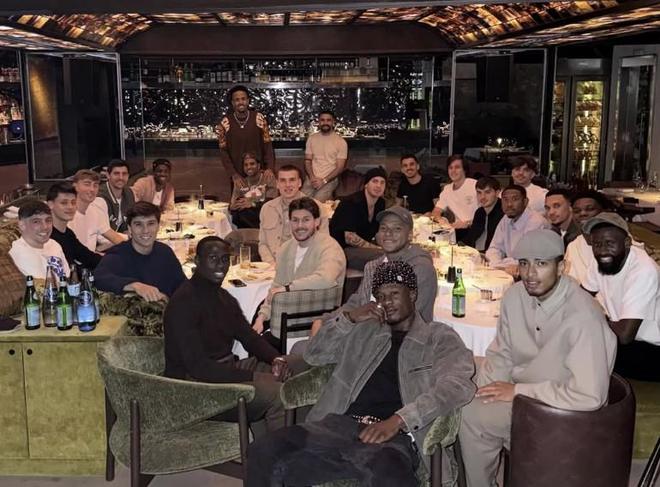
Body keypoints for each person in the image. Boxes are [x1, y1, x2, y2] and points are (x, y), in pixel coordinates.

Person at [246, 261, 476, 487]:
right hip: (336, 426)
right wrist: (349, 318)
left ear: (413, 295)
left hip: (392, 439)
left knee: (390, 477)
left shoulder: (438, 337)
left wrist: (399, 420)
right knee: (262, 451)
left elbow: (457, 385)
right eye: (381, 296)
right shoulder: (365, 330)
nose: (387, 302)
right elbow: (315, 354)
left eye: (394, 294)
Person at [459, 229, 617, 487]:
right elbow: (502, 353)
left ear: (561, 267)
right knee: (461, 382)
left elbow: (589, 396)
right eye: (524, 263)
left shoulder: (583, 316)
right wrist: (485, 389)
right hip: (525, 393)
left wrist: (517, 391)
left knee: (471, 415)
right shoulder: (515, 296)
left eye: (541, 264)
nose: (530, 274)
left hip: (561, 411)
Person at [164, 236, 292, 433]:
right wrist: (254, 377)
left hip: (224, 372)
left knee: (292, 367)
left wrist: (276, 359)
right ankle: (279, 451)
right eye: (213, 258)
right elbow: (199, 367)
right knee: (277, 393)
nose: (220, 265)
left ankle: (272, 440)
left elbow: (249, 337)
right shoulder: (184, 302)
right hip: (194, 388)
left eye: (225, 259)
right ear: (197, 261)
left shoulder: (224, 298)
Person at [314, 206, 438, 337]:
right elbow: (356, 303)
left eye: (397, 229)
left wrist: (352, 322)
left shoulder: (420, 268)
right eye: (383, 228)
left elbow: (406, 320)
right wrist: (325, 320)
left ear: (410, 235)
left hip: (401, 341)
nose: (388, 233)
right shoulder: (373, 266)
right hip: (365, 336)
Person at [253, 197, 346, 344]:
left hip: (316, 325)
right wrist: (262, 316)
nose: (300, 226)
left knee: (262, 344)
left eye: (306, 220)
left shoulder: (330, 247)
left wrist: (288, 288)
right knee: (252, 330)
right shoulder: (285, 249)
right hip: (286, 320)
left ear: (317, 222)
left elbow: (326, 279)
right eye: (295, 220)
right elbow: (276, 286)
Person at [582, 213, 660, 382]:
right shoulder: (602, 261)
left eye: (610, 243)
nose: (602, 250)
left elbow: (625, 335)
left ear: (627, 243)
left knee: (585, 354)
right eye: (597, 244)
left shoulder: (643, 270)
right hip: (624, 338)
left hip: (651, 348)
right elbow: (581, 296)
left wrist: (594, 318)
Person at [94, 202, 186, 301]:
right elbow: (99, 278)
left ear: (158, 226)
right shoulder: (118, 254)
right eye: (138, 224)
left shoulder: (165, 252)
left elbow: (182, 286)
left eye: (151, 224)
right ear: (129, 229)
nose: (145, 230)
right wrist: (135, 285)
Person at [258, 165, 328, 264]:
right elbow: (263, 244)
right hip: (272, 265)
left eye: (292, 180)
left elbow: (324, 244)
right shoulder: (267, 208)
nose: (287, 185)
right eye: (283, 180)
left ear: (299, 183)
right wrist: (271, 264)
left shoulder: (317, 207)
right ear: (277, 184)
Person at [217, 85, 275, 187]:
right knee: (239, 197)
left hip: (259, 174)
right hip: (238, 177)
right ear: (232, 103)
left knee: (261, 197)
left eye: (243, 99)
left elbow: (267, 145)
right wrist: (233, 174)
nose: (240, 102)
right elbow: (223, 152)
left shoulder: (259, 118)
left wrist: (269, 168)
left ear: (248, 101)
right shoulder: (225, 123)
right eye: (237, 100)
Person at [330, 167, 387, 269]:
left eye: (382, 182)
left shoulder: (380, 203)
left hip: (362, 248)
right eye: (375, 181)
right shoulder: (350, 203)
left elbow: (377, 232)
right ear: (366, 184)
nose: (379, 185)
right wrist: (377, 248)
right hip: (341, 250)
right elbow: (349, 238)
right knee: (384, 257)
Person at [485, 184, 549, 276]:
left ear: (525, 202)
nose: (509, 204)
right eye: (505, 200)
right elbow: (495, 248)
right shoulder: (506, 219)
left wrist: (501, 266)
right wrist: (495, 265)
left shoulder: (536, 222)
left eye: (515, 199)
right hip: (506, 270)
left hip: (534, 274)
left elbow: (527, 259)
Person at [46, 183, 102, 270]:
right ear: (50, 205)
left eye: (73, 202)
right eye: (64, 203)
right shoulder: (47, 236)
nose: (70, 207)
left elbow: (88, 257)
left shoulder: (68, 233)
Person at [69, 169, 126, 252]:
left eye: (95, 185)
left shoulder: (95, 210)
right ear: (75, 186)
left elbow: (113, 236)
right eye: (87, 184)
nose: (92, 189)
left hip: (91, 257)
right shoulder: (67, 214)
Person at [9, 200, 69, 279]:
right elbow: (41, 285)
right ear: (22, 225)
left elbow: (67, 277)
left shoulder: (53, 244)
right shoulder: (20, 253)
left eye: (48, 220)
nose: (45, 227)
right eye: (36, 222)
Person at [564, 190, 611, 284]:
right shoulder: (573, 246)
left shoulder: (619, 243)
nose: (582, 213)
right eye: (577, 211)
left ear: (604, 212)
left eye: (590, 209)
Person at [302, 110, 348, 202]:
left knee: (316, 204)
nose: (325, 122)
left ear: (333, 122)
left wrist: (324, 181)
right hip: (312, 178)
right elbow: (307, 161)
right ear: (319, 122)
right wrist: (312, 177)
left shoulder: (341, 142)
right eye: (322, 120)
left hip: (329, 180)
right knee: (300, 202)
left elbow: (340, 168)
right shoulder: (312, 139)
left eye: (328, 120)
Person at [431, 155, 478, 241]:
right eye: (450, 168)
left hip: (476, 229)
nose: (453, 171)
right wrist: (441, 220)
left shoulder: (474, 185)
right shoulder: (447, 189)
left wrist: (468, 223)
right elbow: (435, 212)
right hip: (458, 231)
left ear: (464, 170)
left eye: (457, 167)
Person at [230, 151, 277, 229]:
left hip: (265, 216)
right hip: (245, 220)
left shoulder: (268, 177)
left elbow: (272, 201)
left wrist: (252, 203)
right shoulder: (240, 182)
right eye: (246, 165)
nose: (249, 167)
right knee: (239, 213)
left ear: (258, 166)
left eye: (252, 164)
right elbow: (233, 205)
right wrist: (234, 205)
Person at [462, 176, 504, 251]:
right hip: (475, 253)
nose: (482, 197)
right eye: (479, 192)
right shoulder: (480, 212)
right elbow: (471, 237)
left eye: (487, 192)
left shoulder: (504, 213)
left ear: (497, 193)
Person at [97, 159, 135, 233]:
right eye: (116, 173)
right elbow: (101, 232)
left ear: (128, 176)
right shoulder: (99, 196)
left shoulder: (129, 193)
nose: (121, 178)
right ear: (108, 175)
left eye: (124, 174)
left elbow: (130, 219)